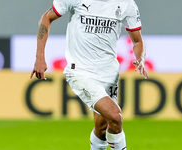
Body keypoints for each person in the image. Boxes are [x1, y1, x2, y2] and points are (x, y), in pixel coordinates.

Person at [30, 0, 148, 149]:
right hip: (81, 71)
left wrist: (140, 58)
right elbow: (46, 18)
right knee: (115, 116)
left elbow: (137, 40)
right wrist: (40, 57)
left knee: (102, 127)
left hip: (109, 73)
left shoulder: (126, 4)